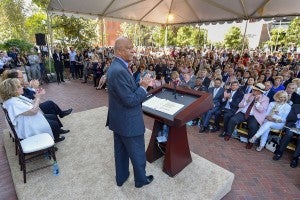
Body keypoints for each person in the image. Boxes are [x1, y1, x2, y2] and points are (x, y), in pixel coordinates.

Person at [106, 36, 154, 188]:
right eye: (129, 48)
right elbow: (130, 100)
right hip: (128, 122)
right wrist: (143, 87)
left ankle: (122, 177)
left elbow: (125, 92)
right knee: (138, 153)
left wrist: (137, 85)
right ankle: (140, 180)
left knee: (120, 152)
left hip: (119, 120)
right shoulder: (119, 70)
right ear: (119, 51)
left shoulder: (117, 66)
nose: (133, 50)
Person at [0, 78, 65, 142]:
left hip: (27, 120)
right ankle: (52, 141)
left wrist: (37, 96)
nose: (22, 87)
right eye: (19, 86)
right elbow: (33, 111)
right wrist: (38, 98)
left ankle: (55, 134)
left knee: (52, 116)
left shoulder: (15, 98)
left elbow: (30, 104)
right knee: (54, 124)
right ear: (12, 90)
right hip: (26, 126)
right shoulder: (13, 103)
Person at [224, 83, 269, 149]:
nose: (253, 90)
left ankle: (250, 142)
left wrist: (257, 102)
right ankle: (228, 134)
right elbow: (239, 105)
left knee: (253, 126)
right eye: (253, 89)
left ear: (260, 91)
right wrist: (246, 102)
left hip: (254, 116)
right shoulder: (247, 95)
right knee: (233, 119)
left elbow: (261, 110)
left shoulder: (265, 99)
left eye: (255, 90)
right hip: (243, 113)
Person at [273, 104, 300, 168]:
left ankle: (295, 158)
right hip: (292, 126)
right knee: (289, 134)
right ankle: (280, 151)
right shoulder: (296, 106)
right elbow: (289, 117)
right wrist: (298, 116)